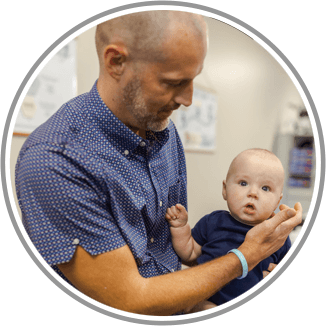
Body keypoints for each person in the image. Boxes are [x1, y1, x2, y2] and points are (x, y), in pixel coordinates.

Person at [15, 11, 302, 316]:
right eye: (173, 82)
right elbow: (128, 300)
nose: (188, 99)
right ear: (116, 62)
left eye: (193, 78)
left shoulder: (162, 128)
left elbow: (179, 254)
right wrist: (247, 256)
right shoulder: (54, 161)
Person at [166, 148, 292, 311]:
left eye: (265, 188)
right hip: (206, 301)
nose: (253, 193)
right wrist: (180, 227)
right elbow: (189, 252)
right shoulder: (212, 222)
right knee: (199, 306)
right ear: (225, 190)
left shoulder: (277, 234)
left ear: (277, 201)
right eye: (243, 183)